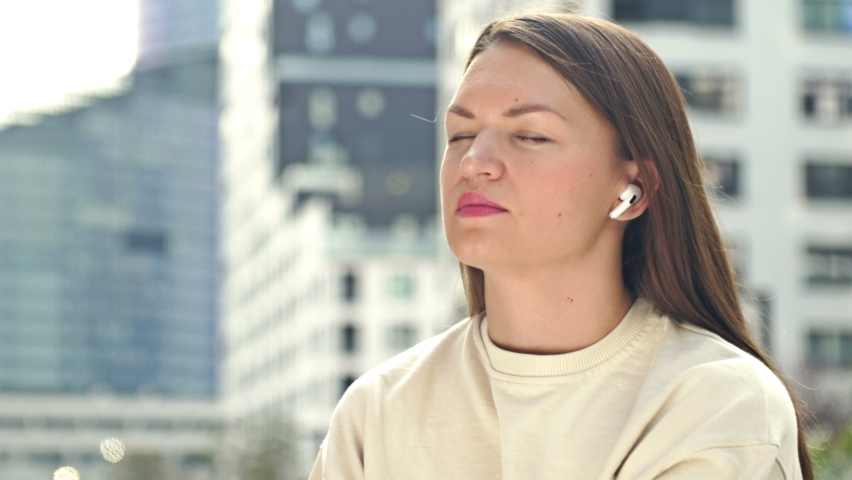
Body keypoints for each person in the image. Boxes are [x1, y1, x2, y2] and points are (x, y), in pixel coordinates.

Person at [309, 11, 812, 480]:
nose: (474, 162)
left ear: (634, 188)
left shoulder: (716, 402)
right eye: (460, 134)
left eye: (530, 136)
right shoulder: (378, 410)